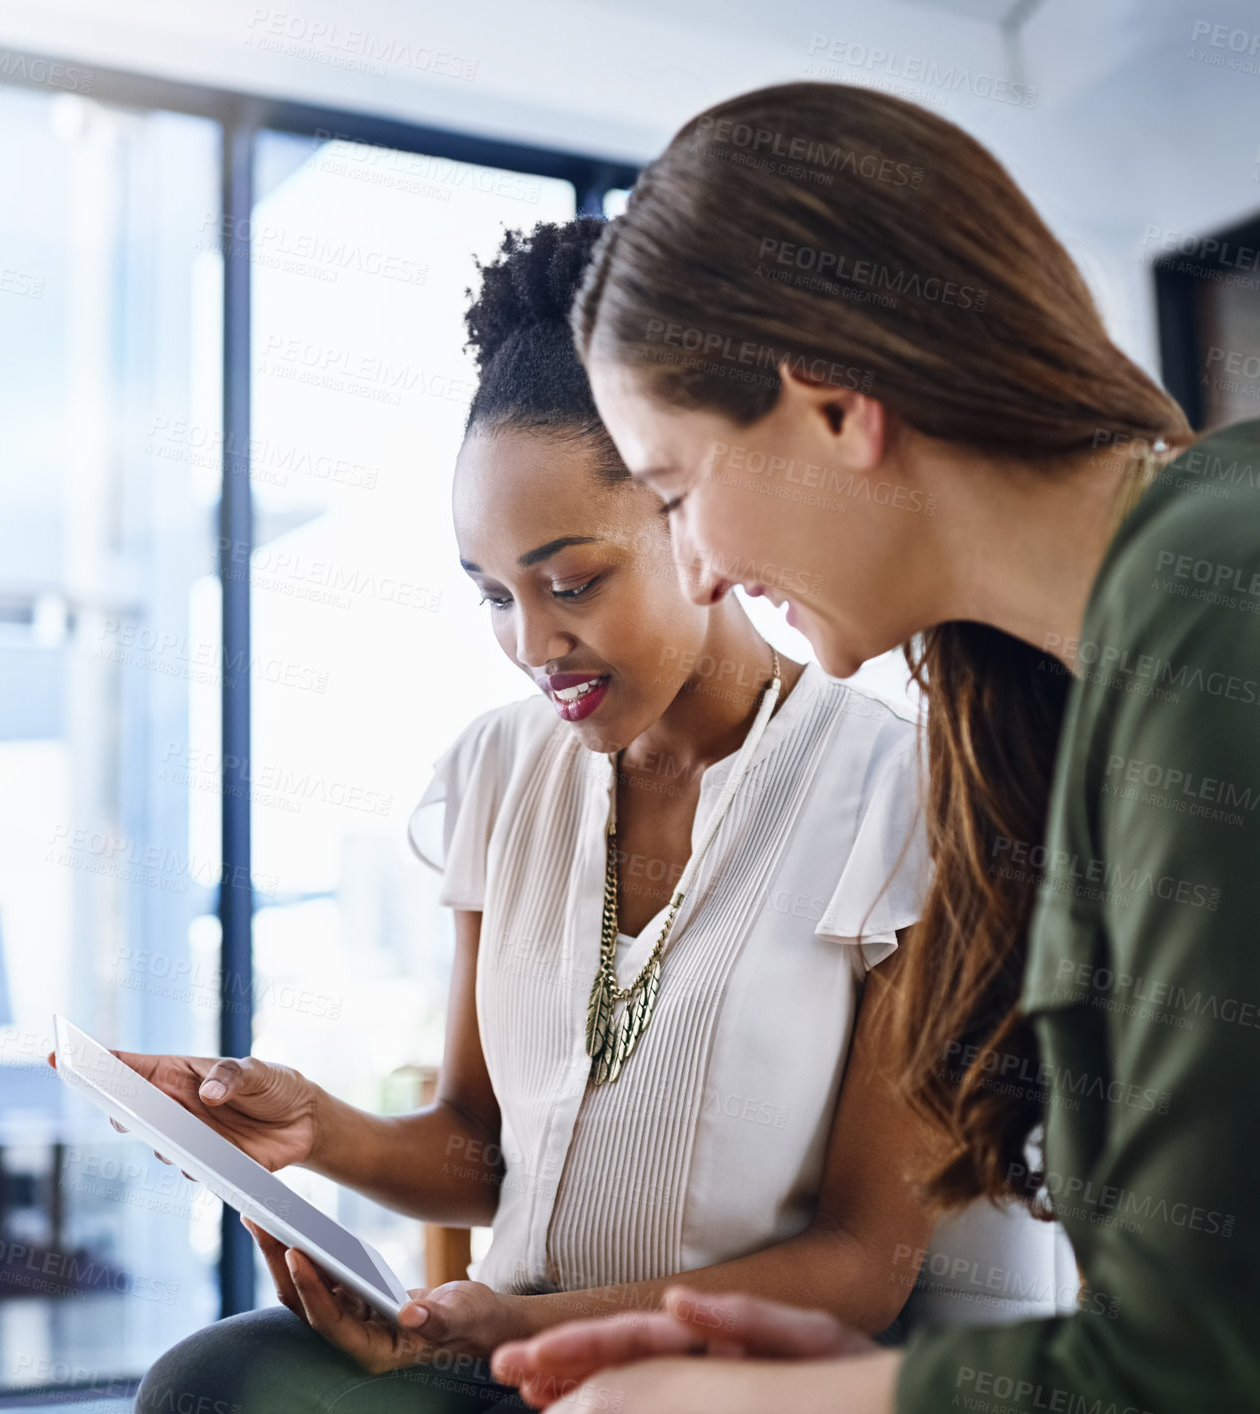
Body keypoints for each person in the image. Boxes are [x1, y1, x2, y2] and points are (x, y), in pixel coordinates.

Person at [122, 219, 1029, 1414]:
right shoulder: (499, 771)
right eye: (494, 594)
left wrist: (534, 1326)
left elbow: (864, 1265)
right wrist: (318, 1128)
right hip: (497, 1357)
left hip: (716, 1387)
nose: (532, 645)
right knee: (214, 1379)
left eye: (572, 582)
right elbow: (481, 1149)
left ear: (695, 517)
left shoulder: (895, 797)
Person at [483, 83, 1260, 1413]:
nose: (703, 571)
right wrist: (860, 1378)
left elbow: (1193, 1368)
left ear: (835, 409)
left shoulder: (1207, 593)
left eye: (676, 492)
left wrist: (766, 1403)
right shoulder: (1075, 690)